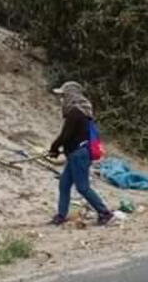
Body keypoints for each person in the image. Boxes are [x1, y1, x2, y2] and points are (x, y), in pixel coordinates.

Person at [48, 81, 113, 226]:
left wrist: (54, 148)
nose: (61, 99)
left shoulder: (75, 113)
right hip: (75, 154)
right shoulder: (80, 112)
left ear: (70, 95)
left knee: (82, 187)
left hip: (79, 155)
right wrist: (58, 149)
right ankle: (61, 215)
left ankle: (104, 212)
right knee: (64, 184)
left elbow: (66, 135)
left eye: (63, 96)